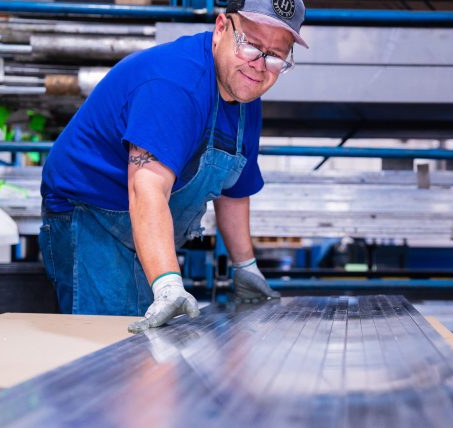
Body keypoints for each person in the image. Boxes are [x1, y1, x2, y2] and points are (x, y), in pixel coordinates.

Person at [38, 0, 308, 333]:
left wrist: (246, 267)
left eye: (276, 55)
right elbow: (147, 188)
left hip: (143, 228)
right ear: (221, 27)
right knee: (113, 355)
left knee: (149, 353)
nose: (260, 64)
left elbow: (234, 192)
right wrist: (168, 284)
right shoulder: (175, 85)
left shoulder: (244, 99)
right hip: (92, 221)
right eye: (251, 44)